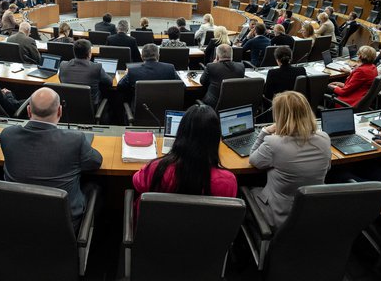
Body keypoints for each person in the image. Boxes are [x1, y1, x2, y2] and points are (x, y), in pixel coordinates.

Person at [0, 87, 102, 230]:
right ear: (60, 111)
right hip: (62, 225)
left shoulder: (7, 135)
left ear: (28, 111)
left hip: (18, 218)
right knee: (94, 186)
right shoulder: (75, 140)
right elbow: (96, 162)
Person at [248, 91, 331, 230]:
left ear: (280, 116)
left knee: (246, 190)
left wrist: (264, 132)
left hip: (279, 215)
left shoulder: (273, 143)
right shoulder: (324, 138)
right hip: (312, 211)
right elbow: (327, 168)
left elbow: (253, 159)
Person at [133, 105, 237, 210]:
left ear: (181, 133)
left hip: (157, 226)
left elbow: (137, 183)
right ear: (215, 138)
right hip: (204, 226)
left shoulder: (157, 169)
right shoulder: (227, 181)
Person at [59, 39, 112, 106]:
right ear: (89, 53)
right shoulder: (96, 67)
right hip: (91, 109)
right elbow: (110, 82)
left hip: (69, 109)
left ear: (74, 52)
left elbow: (61, 80)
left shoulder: (63, 65)